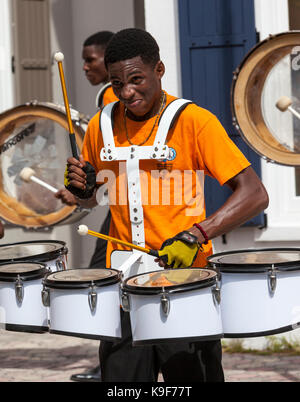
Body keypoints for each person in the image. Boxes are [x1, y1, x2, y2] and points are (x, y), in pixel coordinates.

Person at [64, 28, 269, 382]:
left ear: (159, 69)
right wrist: (81, 188)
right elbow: (100, 194)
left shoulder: (195, 121)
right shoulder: (100, 125)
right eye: (116, 84)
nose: (127, 92)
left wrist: (196, 234)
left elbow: (254, 194)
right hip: (123, 288)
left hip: (186, 284)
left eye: (136, 79)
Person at [55, 30, 117, 382]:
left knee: (102, 277)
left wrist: (87, 189)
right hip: (121, 201)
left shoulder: (111, 94)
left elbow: (111, 159)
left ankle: (110, 362)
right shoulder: (109, 95)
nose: (84, 66)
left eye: (90, 59)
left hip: (124, 206)